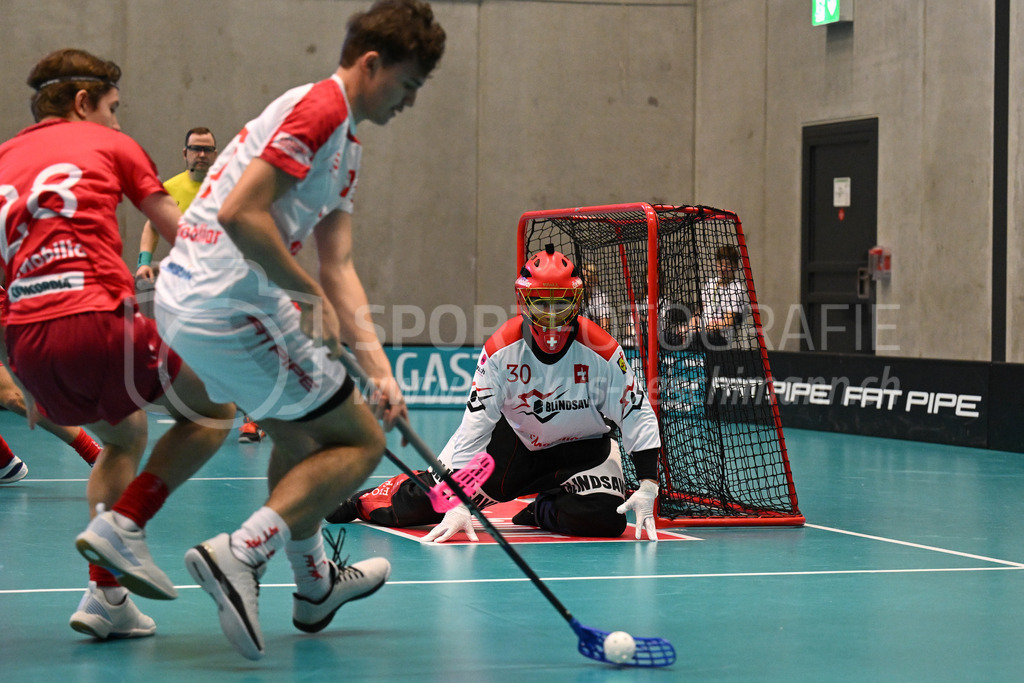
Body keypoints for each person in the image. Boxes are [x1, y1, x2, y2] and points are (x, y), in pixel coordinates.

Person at [149, 0, 445, 660]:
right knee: (361, 442)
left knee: (300, 433)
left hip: (212, 300)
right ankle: (242, 552)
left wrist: (381, 372)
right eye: (407, 84)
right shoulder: (319, 110)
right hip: (227, 299)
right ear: (372, 64)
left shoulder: (348, 148)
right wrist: (303, 296)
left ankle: (314, 585)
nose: (410, 101)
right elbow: (239, 213)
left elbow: (337, 266)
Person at [0, 47, 235, 640]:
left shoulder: (3, 163)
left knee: (124, 435)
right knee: (213, 413)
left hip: (28, 342)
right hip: (101, 322)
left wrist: (17, 373)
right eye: (113, 108)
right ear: (84, 102)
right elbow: (179, 231)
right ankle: (127, 522)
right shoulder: (113, 146)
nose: (117, 122)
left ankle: (105, 596)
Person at [328, 246, 663, 543]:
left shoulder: (602, 350)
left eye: (559, 305)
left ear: (576, 302)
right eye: (540, 304)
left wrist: (648, 483)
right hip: (514, 447)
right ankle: (366, 498)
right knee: (420, 508)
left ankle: (541, 508)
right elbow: (475, 427)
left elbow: (635, 410)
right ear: (524, 302)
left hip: (583, 452)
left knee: (605, 520)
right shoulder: (501, 350)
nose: (549, 316)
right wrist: (458, 502)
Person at [133, 127, 267, 444]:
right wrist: (143, 261)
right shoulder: (170, 188)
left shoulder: (227, 187)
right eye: (195, 148)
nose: (201, 154)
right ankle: (200, 407)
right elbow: (152, 226)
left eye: (207, 149)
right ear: (185, 153)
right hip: (188, 285)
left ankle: (253, 420)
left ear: (215, 154)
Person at [672, 244, 750, 351]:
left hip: (720, 338)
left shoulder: (736, 289)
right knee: (672, 337)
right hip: (701, 331)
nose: (722, 268)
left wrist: (699, 330)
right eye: (720, 264)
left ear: (735, 266)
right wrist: (689, 327)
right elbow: (700, 311)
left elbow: (727, 323)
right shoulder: (711, 283)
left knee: (694, 338)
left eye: (727, 264)